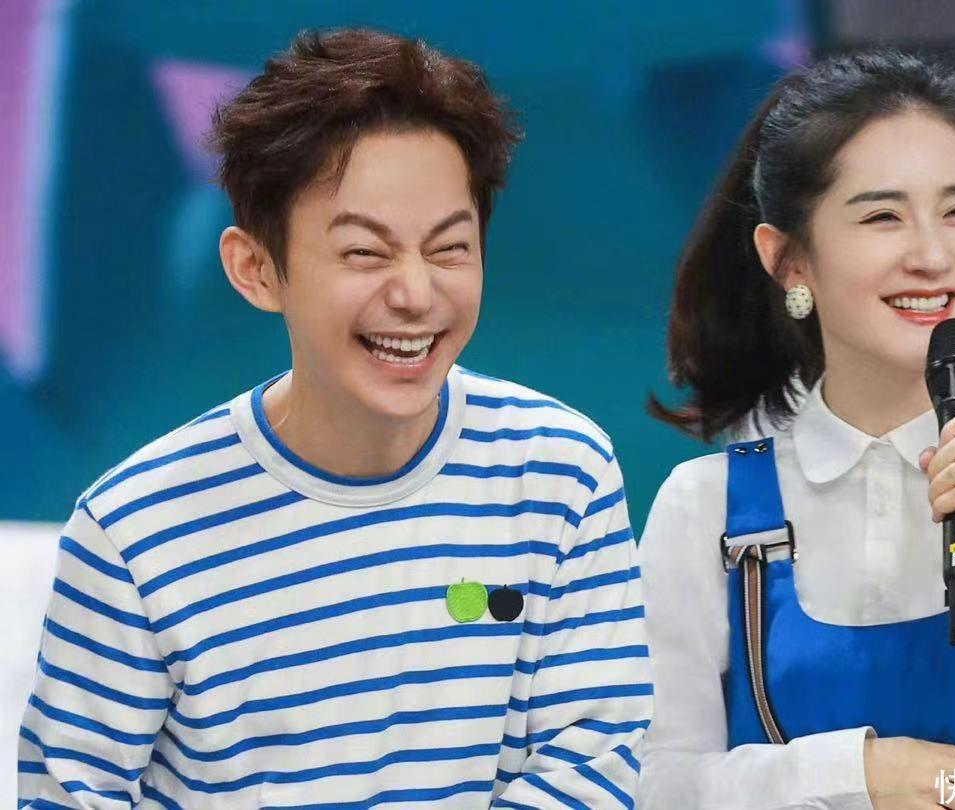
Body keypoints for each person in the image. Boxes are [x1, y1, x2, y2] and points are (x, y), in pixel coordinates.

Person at [18, 28, 650, 808]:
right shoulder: (133, 532)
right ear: (255, 268)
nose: (415, 294)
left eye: (449, 249)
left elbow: (593, 761)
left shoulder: (563, 472)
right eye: (364, 253)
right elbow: (69, 795)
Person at [638, 50, 955, 810]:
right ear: (787, 259)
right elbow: (654, 785)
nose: (932, 255)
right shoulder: (706, 507)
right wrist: (854, 774)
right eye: (883, 216)